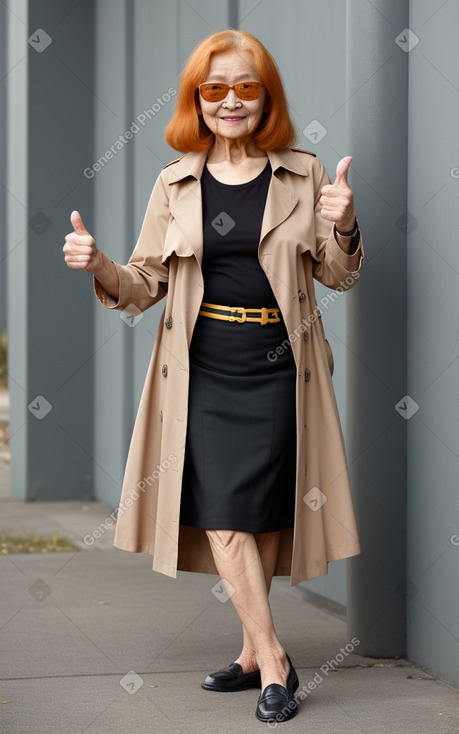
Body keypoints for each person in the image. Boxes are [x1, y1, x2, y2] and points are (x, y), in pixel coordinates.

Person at [63, 29, 364, 724]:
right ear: (196, 100)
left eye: (245, 86)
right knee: (227, 515)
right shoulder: (175, 182)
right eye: (214, 88)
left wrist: (345, 227)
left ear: (266, 97)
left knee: (257, 516)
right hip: (201, 371)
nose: (230, 101)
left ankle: (250, 652)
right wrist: (99, 263)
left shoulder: (305, 173)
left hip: (281, 370)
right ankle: (277, 658)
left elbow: (338, 276)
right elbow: (141, 285)